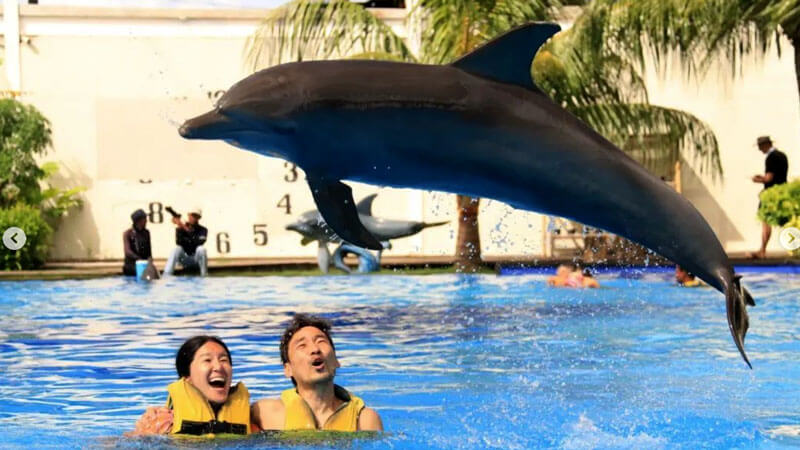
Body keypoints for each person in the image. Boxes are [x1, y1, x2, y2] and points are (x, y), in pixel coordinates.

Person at [251, 314, 383, 432]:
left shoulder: (364, 421)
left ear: (336, 360)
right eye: (302, 345)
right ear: (288, 369)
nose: (315, 349)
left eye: (321, 341)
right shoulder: (265, 413)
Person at [128, 335, 251, 436]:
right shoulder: (164, 422)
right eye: (207, 360)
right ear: (187, 377)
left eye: (224, 360)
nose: (218, 367)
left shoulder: (252, 421)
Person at [750, 135, 789, 259]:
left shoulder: (771, 158)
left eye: (761, 146)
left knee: (766, 222)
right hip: (782, 191)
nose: (760, 149)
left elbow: (769, 178)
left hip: (771, 194)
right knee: (787, 222)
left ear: (766, 145)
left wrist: (757, 179)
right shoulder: (782, 156)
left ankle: (762, 250)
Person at [164, 206, 208, 276]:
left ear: (198, 218)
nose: (193, 218)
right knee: (176, 249)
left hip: (196, 260)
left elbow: (198, 242)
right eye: (192, 215)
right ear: (188, 215)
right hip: (184, 259)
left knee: (201, 249)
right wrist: (181, 228)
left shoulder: (203, 230)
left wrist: (186, 229)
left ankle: (204, 275)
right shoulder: (181, 228)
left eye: (195, 216)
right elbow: (178, 242)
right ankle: (167, 274)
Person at [122, 209, 152, 276]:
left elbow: (149, 251)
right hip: (131, 266)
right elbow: (127, 252)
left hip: (144, 264)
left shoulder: (146, 233)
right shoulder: (127, 233)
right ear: (138, 221)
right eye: (145, 219)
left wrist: (150, 263)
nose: (146, 221)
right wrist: (139, 259)